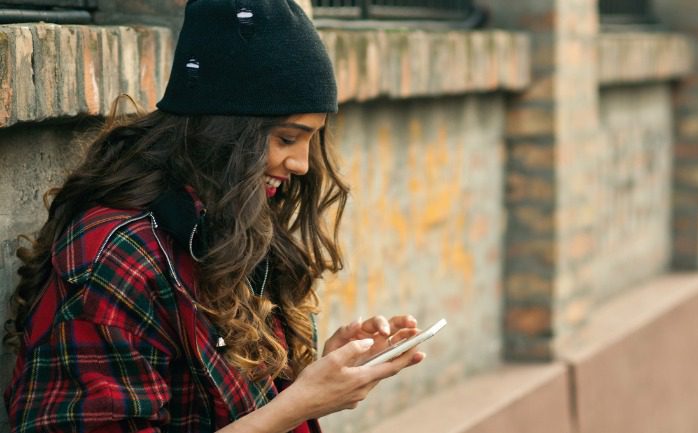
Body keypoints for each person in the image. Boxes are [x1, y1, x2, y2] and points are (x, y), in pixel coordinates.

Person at [3, 1, 424, 432]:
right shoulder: (119, 257)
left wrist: (316, 378)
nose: (302, 163)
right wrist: (298, 404)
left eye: (311, 141)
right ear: (225, 133)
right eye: (287, 138)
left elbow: (230, 409)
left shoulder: (223, 226)